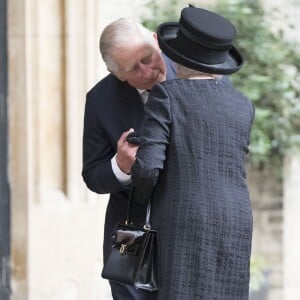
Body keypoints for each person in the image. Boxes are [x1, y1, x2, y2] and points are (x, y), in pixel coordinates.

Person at [131, 6, 255, 300]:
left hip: (183, 220)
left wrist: (139, 203)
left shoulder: (167, 95)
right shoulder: (243, 105)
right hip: (236, 218)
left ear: (178, 55)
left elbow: (148, 168)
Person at [81, 18, 176, 300]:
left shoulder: (192, 72)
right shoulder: (100, 100)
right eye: (134, 68)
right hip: (129, 227)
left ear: (156, 41)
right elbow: (93, 176)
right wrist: (120, 166)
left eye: (148, 57)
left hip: (186, 223)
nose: (148, 70)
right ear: (116, 74)